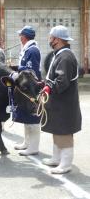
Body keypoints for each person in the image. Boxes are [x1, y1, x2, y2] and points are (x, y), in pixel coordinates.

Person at [41, 25, 81, 174]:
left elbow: (62, 81)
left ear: (57, 39)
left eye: (51, 38)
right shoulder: (60, 54)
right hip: (59, 102)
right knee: (57, 130)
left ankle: (65, 164)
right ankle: (56, 159)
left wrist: (48, 88)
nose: (49, 40)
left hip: (64, 103)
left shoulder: (65, 56)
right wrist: (45, 83)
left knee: (64, 132)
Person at [11, 25, 41, 156]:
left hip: (32, 89)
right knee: (26, 117)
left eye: (20, 35)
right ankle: (26, 143)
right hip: (26, 87)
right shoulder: (27, 49)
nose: (19, 37)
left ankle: (33, 147)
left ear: (24, 37)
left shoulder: (33, 50)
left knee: (32, 117)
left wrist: (18, 67)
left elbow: (31, 71)